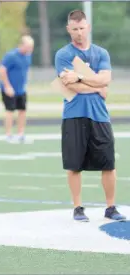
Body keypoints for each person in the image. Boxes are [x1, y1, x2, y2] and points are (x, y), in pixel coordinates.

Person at [54, 10, 126, 222]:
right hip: (74, 115)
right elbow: (72, 86)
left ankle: (110, 207)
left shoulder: (101, 53)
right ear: (69, 29)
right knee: (74, 165)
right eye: (74, 29)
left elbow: (106, 79)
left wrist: (79, 76)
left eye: (82, 28)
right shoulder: (63, 54)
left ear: (88, 27)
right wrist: (95, 85)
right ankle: (78, 208)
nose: (79, 32)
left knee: (108, 163)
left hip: (100, 116)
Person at [0, 35, 34, 144]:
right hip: (9, 89)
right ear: (21, 45)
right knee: (10, 111)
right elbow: (1, 70)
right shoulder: (11, 56)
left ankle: (20, 134)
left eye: (31, 47)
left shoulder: (28, 56)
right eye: (28, 47)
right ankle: (9, 135)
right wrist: (7, 86)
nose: (29, 50)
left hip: (21, 89)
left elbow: (25, 71)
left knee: (22, 110)